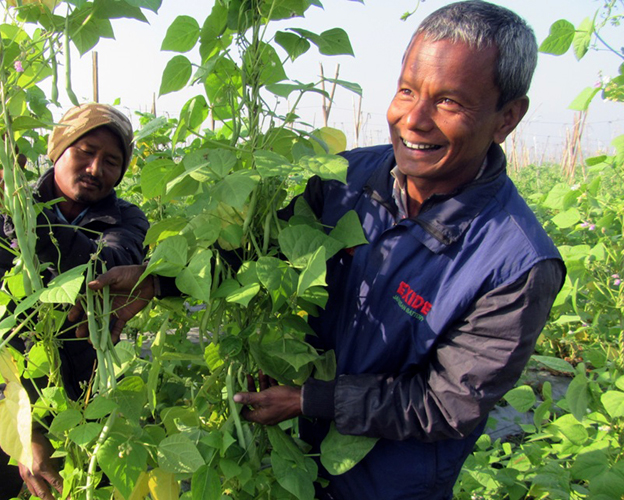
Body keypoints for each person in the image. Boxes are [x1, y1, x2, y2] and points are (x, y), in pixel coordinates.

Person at [87, 2, 566, 499]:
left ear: (507, 116)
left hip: (390, 483)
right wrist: (158, 279)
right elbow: (256, 254)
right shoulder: (343, 179)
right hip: (291, 457)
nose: (414, 119)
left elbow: (447, 403)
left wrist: (308, 400)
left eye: (449, 102)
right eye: (407, 90)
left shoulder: (517, 263)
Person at [0, 103, 149, 500]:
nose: (95, 168)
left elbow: (102, 269)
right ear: (58, 149)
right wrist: (24, 433)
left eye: (111, 161)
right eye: (85, 151)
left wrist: (27, 214)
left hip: (83, 402)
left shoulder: (127, 220)